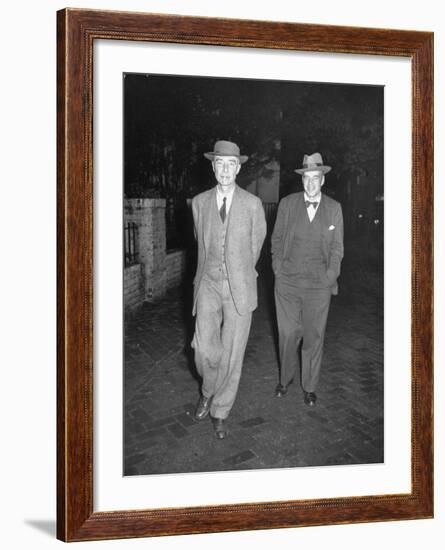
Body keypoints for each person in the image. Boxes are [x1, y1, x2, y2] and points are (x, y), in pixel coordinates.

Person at [191, 140, 267, 439]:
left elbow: (254, 247)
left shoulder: (252, 204)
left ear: (238, 168)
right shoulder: (199, 203)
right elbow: (201, 241)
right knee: (203, 349)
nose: (225, 169)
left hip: (240, 287)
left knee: (233, 354)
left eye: (230, 164)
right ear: (213, 167)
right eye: (219, 163)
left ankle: (220, 410)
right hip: (208, 283)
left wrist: (239, 273)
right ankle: (208, 389)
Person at [271, 152, 344, 406]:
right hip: (288, 283)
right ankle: (285, 378)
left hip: (318, 286)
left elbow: (337, 248)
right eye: (307, 178)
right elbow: (277, 239)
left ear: (322, 180)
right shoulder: (287, 205)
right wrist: (278, 268)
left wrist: (330, 275)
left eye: (316, 178)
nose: (311, 184)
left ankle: (309, 386)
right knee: (288, 333)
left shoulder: (334, 209)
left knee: (314, 336)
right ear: (302, 180)